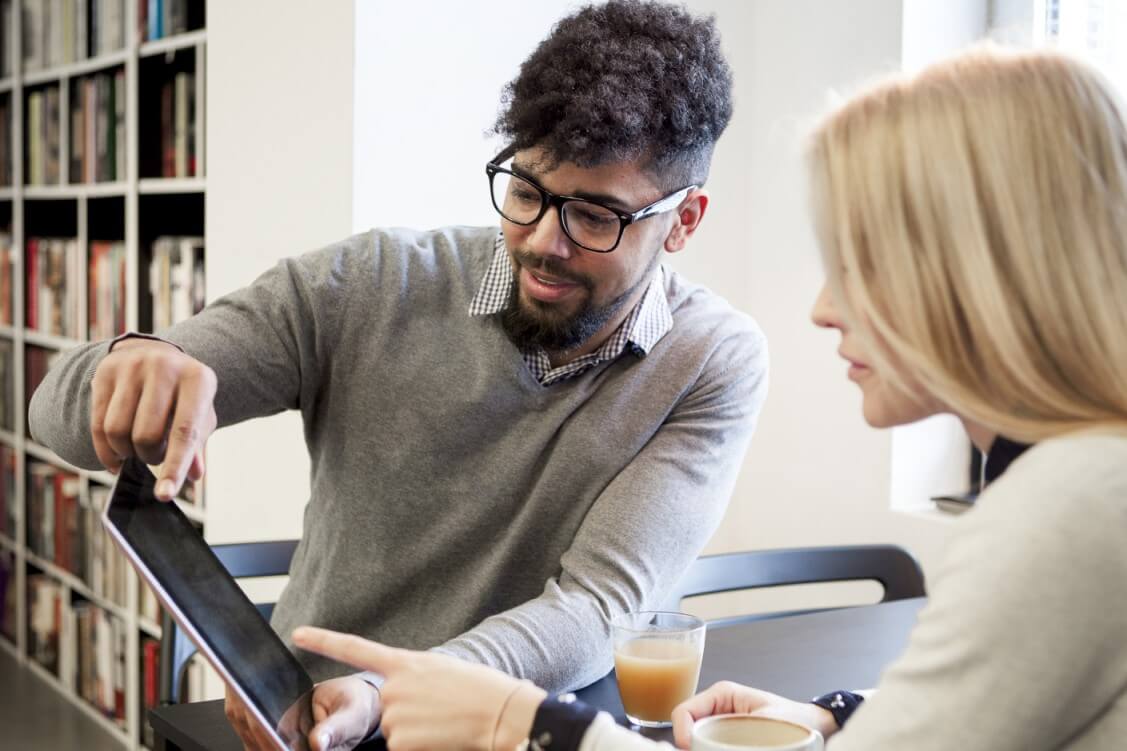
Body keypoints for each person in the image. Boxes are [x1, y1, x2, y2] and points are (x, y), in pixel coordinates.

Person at [292, 45, 1127, 751]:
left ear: (982, 274)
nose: (823, 307)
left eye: (860, 264)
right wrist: (834, 720)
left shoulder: (1067, 509)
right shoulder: (1080, 480)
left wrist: (528, 722)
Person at [28, 1, 769, 748]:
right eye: (526, 192)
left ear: (683, 219)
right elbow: (54, 419)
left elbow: (595, 606)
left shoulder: (709, 360)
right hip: (314, 723)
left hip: (517, 729)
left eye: (595, 216)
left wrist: (389, 690)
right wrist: (127, 364)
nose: (545, 242)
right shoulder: (374, 282)